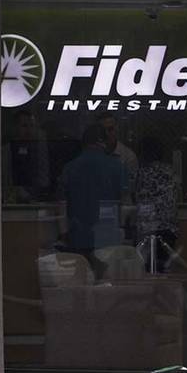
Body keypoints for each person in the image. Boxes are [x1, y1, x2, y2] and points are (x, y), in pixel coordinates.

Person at [59, 122, 128, 279]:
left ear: (84, 143)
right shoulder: (118, 166)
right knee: (107, 282)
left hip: (78, 235)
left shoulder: (69, 167)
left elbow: (62, 205)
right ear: (102, 142)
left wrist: (63, 233)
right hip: (108, 235)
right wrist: (123, 229)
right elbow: (124, 202)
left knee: (81, 282)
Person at [133, 135, 179, 273]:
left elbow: (132, 196)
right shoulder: (170, 172)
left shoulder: (140, 173)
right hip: (168, 227)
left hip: (146, 227)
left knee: (144, 268)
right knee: (163, 269)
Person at [3, 110, 50, 203]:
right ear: (16, 127)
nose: (29, 130)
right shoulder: (6, 151)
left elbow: (44, 176)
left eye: (32, 126)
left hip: (39, 200)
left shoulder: (41, 151)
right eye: (24, 126)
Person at [97, 112, 139, 195]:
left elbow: (131, 188)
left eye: (110, 129)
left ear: (117, 129)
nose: (106, 134)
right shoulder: (93, 153)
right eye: (102, 130)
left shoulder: (128, 156)